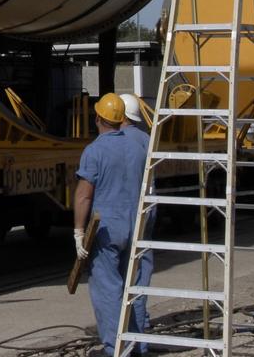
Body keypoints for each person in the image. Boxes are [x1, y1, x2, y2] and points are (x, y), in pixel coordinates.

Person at [73, 93, 145, 355]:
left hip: (107, 229)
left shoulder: (95, 150)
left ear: (98, 118)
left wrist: (78, 232)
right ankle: (138, 344)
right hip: (136, 222)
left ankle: (117, 348)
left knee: (108, 288)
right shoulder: (138, 145)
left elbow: (84, 195)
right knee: (133, 285)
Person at [117, 92, 154, 337]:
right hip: (145, 211)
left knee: (116, 274)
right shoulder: (146, 139)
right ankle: (139, 330)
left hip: (117, 215)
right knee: (140, 271)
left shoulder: (108, 142)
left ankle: (122, 331)